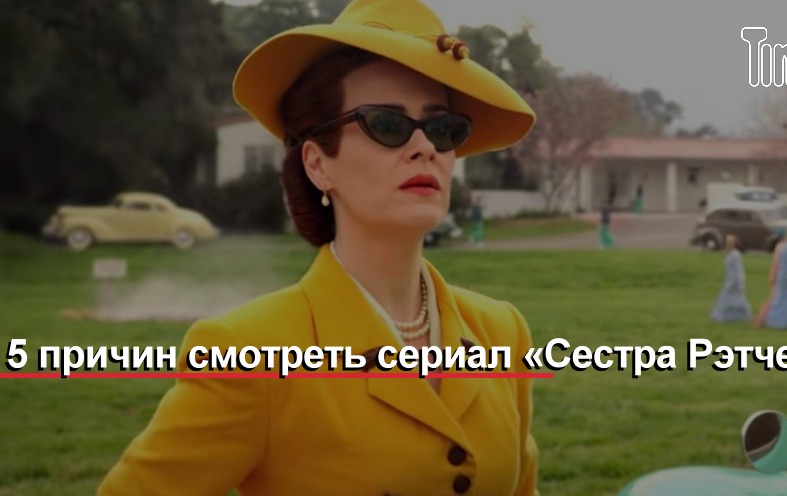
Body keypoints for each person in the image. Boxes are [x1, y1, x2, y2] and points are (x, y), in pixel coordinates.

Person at [98, 1, 539, 494]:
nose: (425, 148)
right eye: (387, 125)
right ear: (317, 164)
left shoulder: (502, 332)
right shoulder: (249, 352)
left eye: (442, 129)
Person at [755, 228, 787, 330]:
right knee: (784, 300)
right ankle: (780, 321)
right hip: (785, 278)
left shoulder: (779, 247)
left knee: (775, 298)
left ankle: (762, 319)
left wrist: (772, 275)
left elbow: (775, 263)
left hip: (780, 277)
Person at [710, 234, 751, 323]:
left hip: (734, 281)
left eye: (728, 243)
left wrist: (735, 282)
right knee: (733, 298)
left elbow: (737, 271)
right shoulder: (732, 255)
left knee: (729, 297)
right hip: (731, 279)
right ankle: (732, 315)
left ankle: (723, 316)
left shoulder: (734, 256)